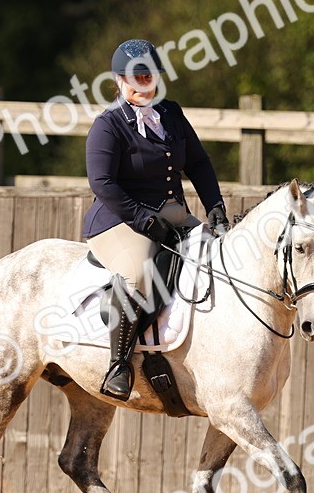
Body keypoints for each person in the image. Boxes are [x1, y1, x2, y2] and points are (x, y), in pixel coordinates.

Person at [83, 38, 231, 400]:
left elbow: (197, 162)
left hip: (174, 217)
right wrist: (144, 220)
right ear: (119, 80)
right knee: (138, 274)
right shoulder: (108, 125)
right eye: (135, 76)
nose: (143, 83)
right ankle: (118, 364)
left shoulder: (171, 114)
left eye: (149, 75)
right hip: (119, 221)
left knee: (221, 258)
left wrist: (215, 207)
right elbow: (101, 182)